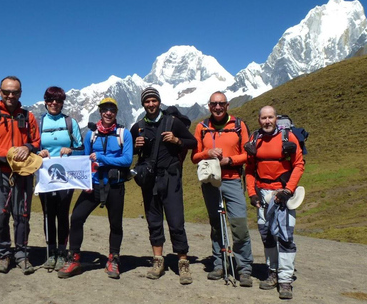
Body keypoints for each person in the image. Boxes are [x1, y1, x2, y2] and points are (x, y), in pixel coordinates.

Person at [58, 97, 133, 279]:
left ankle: (113, 259)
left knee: (115, 224)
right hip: (93, 185)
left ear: (116, 112)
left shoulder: (124, 133)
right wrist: (86, 180)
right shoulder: (91, 135)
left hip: (115, 186)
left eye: (112, 109)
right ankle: (74, 258)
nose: (108, 112)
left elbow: (127, 160)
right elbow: (85, 160)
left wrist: (102, 159)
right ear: (100, 112)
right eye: (105, 109)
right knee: (76, 218)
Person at [130, 87, 197, 285]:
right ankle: (158, 261)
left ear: (159, 102)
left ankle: (183, 262)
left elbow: (193, 142)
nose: (151, 104)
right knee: (154, 221)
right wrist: (136, 146)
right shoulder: (138, 126)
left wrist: (177, 140)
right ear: (143, 104)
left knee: (176, 221)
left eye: (154, 101)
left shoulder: (172, 122)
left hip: (171, 178)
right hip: (149, 180)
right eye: (147, 101)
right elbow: (130, 152)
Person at [191, 91, 254, 287]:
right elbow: (194, 157)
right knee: (216, 225)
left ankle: (244, 268)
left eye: (221, 104)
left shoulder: (238, 125)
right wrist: (206, 153)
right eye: (214, 104)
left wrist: (230, 160)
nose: (217, 107)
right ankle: (219, 264)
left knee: (239, 226)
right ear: (209, 106)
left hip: (233, 179)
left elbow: (249, 154)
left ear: (227, 106)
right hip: (210, 181)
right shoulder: (201, 127)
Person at [0, 76, 40, 275]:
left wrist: (27, 146)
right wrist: (9, 155)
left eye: (14, 92)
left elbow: (36, 141)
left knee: (22, 215)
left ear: (20, 93)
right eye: (6, 92)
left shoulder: (28, 116)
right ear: (0, 92)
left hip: (23, 173)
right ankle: (2, 255)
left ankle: (22, 255)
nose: (10, 95)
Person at [245, 105, 305, 299]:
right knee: (267, 235)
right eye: (264, 118)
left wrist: (289, 190)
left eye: (271, 117)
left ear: (276, 118)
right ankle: (272, 273)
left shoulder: (288, 138)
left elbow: (299, 164)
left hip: (282, 194)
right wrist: (252, 193)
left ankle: (285, 279)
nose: (267, 121)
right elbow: (249, 168)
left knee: (286, 237)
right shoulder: (255, 140)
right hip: (262, 194)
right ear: (259, 120)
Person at [37, 86, 84, 271]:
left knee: (63, 213)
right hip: (44, 174)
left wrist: (71, 150)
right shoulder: (39, 122)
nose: (54, 103)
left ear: (63, 102)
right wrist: (37, 152)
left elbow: (82, 148)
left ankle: (62, 252)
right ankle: (51, 253)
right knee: (48, 213)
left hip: (66, 177)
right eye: (50, 100)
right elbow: (31, 146)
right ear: (46, 102)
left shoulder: (70, 122)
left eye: (58, 100)